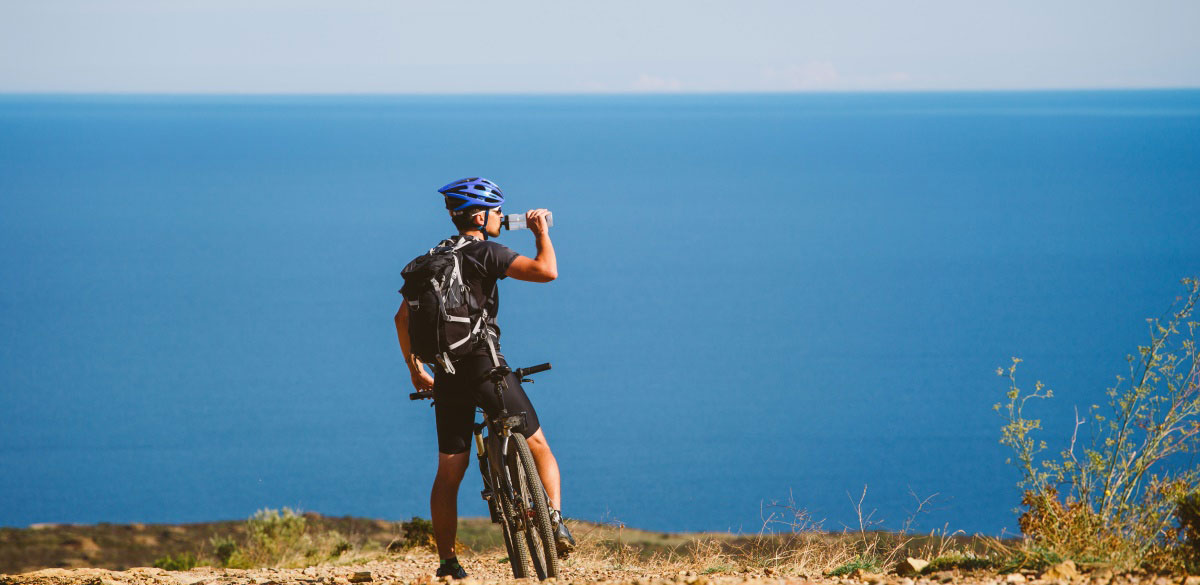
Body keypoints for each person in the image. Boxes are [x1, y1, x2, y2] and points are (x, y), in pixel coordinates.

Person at [393, 177, 574, 580]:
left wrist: (416, 370)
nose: (499, 218)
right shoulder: (485, 253)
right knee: (537, 441)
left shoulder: (428, 261)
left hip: (445, 375)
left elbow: (401, 319)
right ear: (479, 215)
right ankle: (556, 519)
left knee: (448, 473)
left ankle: (447, 562)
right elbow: (547, 272)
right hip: (484, 368)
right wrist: (541, 233)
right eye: (496, 211)